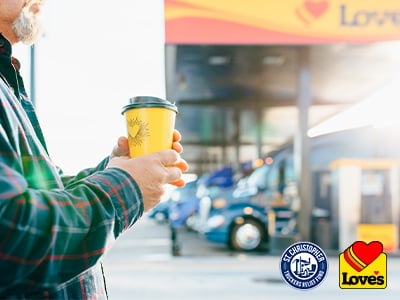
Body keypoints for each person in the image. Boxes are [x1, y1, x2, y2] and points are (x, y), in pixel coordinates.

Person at [0, 0, 189, 298]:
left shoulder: (6, 80)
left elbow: (44, 193)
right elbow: (11, 238)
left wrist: (114, 169)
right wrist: (128, 187)